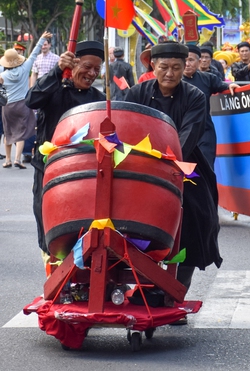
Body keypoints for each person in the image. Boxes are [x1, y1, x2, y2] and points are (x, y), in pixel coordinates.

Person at [125, 42, 223, 318]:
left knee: (196, 220)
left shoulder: (194, 95)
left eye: (176, 68)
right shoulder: (137, 92)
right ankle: (140, 288)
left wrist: (167, 165)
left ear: (184, 68)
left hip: (184, 165)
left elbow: (188, 135)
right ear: (152, 67)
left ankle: (176, 292)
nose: (170, 73)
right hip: (140, 167)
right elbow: (124, 126)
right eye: (164, 67)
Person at [25, 40, 106, 264]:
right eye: (87, 66)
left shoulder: (98, 100)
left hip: (85, 176)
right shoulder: (54, 89)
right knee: (50, 230)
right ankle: (55, 278)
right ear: (73, 63)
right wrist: (57, 71)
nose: (91, 73)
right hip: (49, 170)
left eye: (96, 70)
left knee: (83, 230)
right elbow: (31, 100)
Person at [0, 32, 51, 169]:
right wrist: (42, 39)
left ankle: (8, 160)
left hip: (8, 106)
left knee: (8, 132)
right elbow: (34, 53)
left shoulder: (2, 75)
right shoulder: (25, 68)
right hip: (23, 104)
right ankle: (18, 159)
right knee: (21, 133)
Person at [183, 44, 238, 167]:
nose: (187, 64)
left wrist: (231, 86)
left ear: (198, 62)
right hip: (182, 131)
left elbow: (223, 86)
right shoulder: (174, 81)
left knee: (206, 167)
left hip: (204, 131)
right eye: (184, 60)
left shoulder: (208, 78)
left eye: (191, 60)